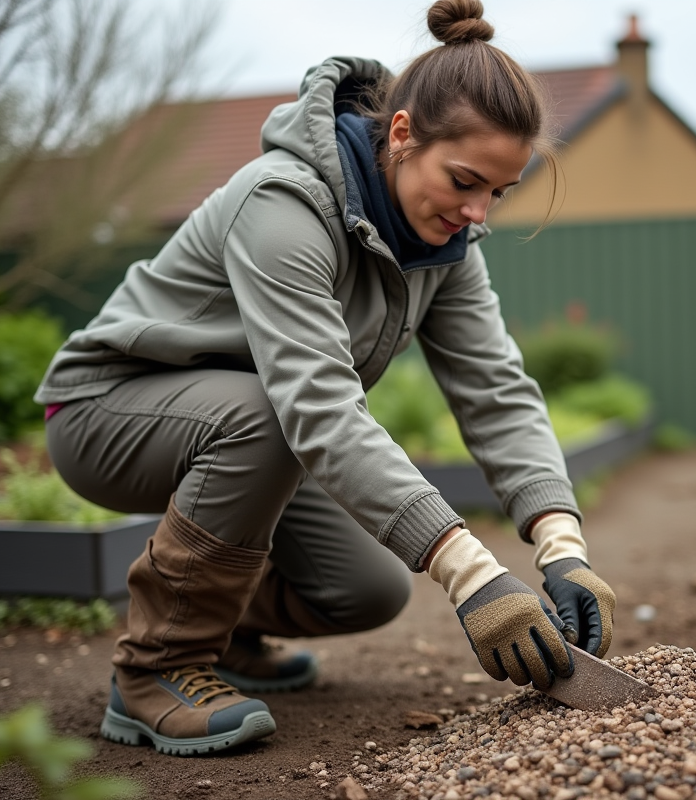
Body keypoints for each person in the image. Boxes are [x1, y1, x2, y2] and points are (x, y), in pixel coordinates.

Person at [34, 0, 616, 757]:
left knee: (364, 589)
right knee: (267, 415)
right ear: (402, 134)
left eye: (497, 194)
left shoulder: (447, 247)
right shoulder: (283, 203)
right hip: (104, 413)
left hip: (249, 423)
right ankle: (155, 671)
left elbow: (497, 391)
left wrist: (563, 546)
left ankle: (225, 631)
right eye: (466, 181)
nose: (477, 214)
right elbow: (314, 404)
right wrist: (473, 573)